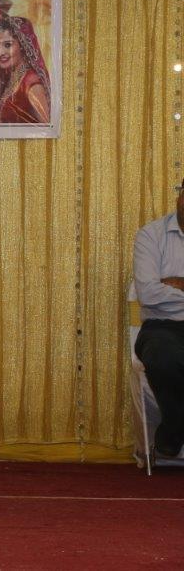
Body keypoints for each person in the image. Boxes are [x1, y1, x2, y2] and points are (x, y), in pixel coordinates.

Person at [133, 179, 184, 459]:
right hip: (162, 327)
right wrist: (162, 288)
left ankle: (172, 432)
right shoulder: (151, 235)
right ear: (179, 197)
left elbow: (159, 290)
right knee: (163, 357)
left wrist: (178, 284)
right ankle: (174, 433)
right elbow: (149, 293)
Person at [0, 15, 51, 124]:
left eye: (7, 45)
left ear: (22, 45)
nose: (0, 53)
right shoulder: (11, 76)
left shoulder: (31, 83)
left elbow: (47, 130)